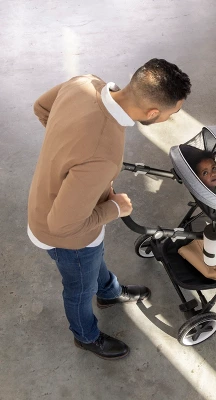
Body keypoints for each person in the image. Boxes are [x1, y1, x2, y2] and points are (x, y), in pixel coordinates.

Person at [28, 59, 191, 360]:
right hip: (66, 236)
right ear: (152, 112)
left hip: (47, 200)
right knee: (79, 288)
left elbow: (41, 107)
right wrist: (115, 208)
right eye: (173, 113)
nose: (171, 118)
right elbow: (62, 225)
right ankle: (86, 336)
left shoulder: (84, 82)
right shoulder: (102, 154)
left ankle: (108, 291)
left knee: (93, 261)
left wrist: (66, 154)